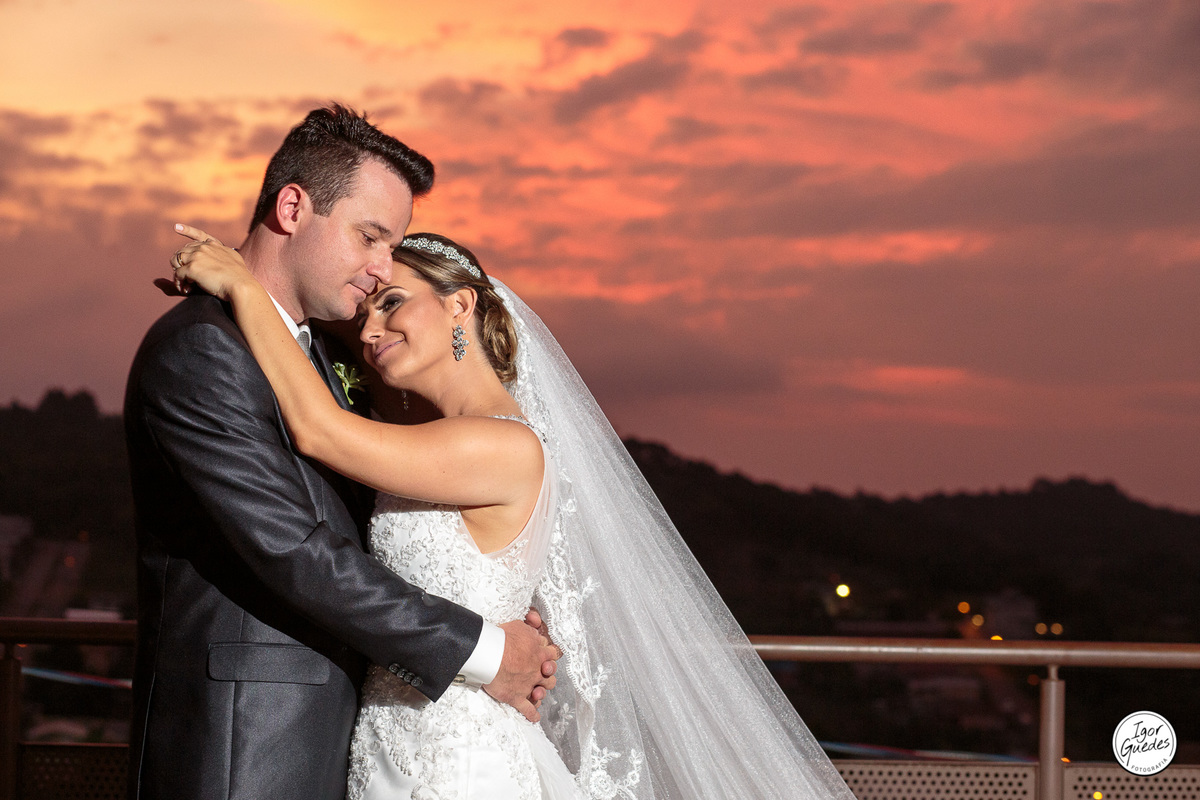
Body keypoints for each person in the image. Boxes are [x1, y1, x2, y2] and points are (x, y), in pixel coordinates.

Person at [168, 226, 860, 800]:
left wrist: (243, 286)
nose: (372, 328)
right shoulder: (438, 438)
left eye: (393, 303)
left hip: (457, 760)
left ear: (460, 305)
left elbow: (320, 431)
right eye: (366, 313)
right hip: (393, 739)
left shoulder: (499, 444)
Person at [123, 106, 558, 800]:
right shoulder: (203, 348)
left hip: (361, 740)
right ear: (293, 208)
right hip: (247, 746)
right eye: (369, 236)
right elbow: (294, 550)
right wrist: (484, 647)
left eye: (393, 249)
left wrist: (482, 607)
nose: (379, 269)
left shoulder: (322, 359)